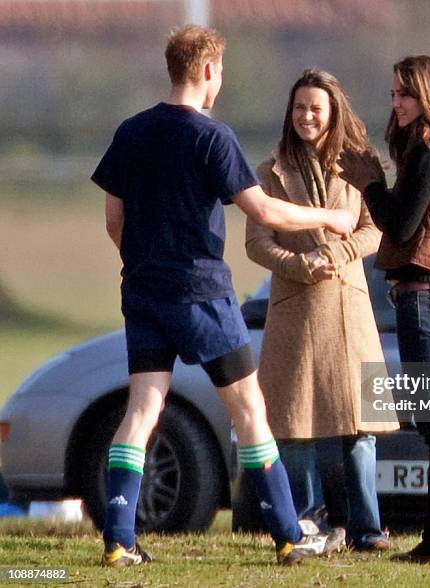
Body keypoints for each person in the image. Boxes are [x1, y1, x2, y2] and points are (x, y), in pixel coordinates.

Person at [91, 25, 357, 568]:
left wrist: (146, 266)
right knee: (249, 410)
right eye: (221, 72)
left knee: (142, 409)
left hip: (142, 292)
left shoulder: (129, 132)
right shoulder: (214, 137)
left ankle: (119, 539)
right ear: (208, 70)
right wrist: (333, 217)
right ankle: (288, 534)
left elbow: (114, 219)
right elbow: (264, 212)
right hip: (203, 294)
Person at [339, 55, 430, 563]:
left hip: (426, 297)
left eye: (405, 94)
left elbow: (399, 226)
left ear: (429, 96)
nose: (397, 103)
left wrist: (370, 183)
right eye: (394, 94)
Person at [245, 69, 398, 552]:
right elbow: (256, 242)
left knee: (360, 429)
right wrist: (298, 265)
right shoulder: (269, 170)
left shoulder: (362, 164)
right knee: (294, 428)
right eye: (299, 108)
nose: (306, 116)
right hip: (295, 310)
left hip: (350, 310)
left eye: (315, 107)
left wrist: (337, 254)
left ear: (333, 112)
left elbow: (376, 229)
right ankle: (308, 524)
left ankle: (367, 531)